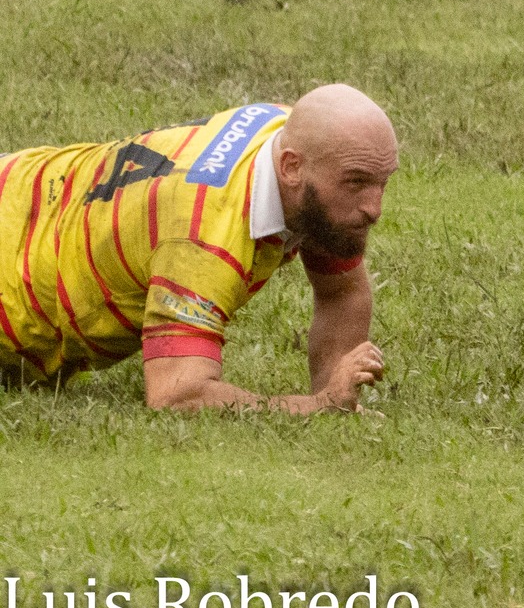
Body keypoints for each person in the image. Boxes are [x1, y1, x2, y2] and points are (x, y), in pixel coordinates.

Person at [0, 86, 394, 412]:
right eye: (356, 183)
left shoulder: (288, 133)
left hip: (26, 188)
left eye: (382, 182)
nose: (373, 209)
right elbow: (176, 394)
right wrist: (318, 406)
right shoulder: (201, 238)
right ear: (291, 168)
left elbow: (342, 290)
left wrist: (341, 397)